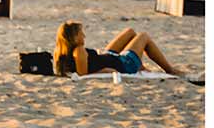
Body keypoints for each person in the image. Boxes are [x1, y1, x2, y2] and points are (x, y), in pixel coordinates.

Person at [51, 21, 199, 80]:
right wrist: (105, 71)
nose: (84, 35)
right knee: (143, 36)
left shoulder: (64, 52)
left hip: (110, 57)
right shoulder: (79, 50)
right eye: (81, 33)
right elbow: (84, 75)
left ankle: (143, 67)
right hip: (123, 64)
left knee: (130, 32)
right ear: (74, 37)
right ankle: (170, 70)